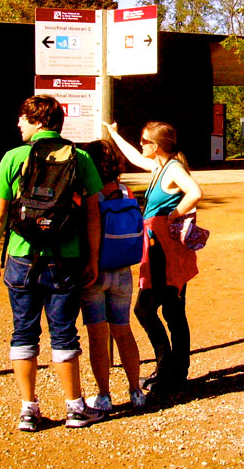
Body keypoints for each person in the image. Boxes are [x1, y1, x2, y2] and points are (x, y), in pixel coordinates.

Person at [0, 95, 105, 432]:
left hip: (21, 255)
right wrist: (93, 258)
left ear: (38, 121)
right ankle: (75, 408)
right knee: (64, 332)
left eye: (23, 119)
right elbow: (93, 215)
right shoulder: (80, 157)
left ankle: (28, 409)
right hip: (65, 258)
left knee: (23, 331)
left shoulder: (13, 157)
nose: (18, 124)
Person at [107, 120, 203, 395]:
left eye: (144, 141)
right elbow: (134, 157)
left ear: (157, 145)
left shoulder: (173, 168)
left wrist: (172, 215)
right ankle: (174, 371)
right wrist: (114, 134)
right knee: (171, 311)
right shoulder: (159, 165)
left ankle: (169, 369)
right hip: (157, 246)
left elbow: (195, 192)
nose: (141, 145)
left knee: (148, 309)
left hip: (166, 250)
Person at [77, 138, 146, 413]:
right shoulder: (126, 192)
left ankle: (104, 395)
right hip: (123, 270)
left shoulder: (88, 193)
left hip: (94, 271)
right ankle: (135, 390)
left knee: (97, 335)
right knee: (123, 331)